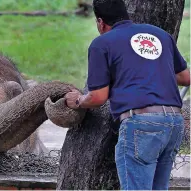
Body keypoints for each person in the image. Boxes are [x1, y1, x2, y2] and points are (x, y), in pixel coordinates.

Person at [64, 0, 190, 190]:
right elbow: (185, 77)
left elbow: (98, 97)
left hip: (141, 125)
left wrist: (79, 100)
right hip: (173, 123)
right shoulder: (160, 35)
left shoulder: (101, 44)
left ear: (100, 22)